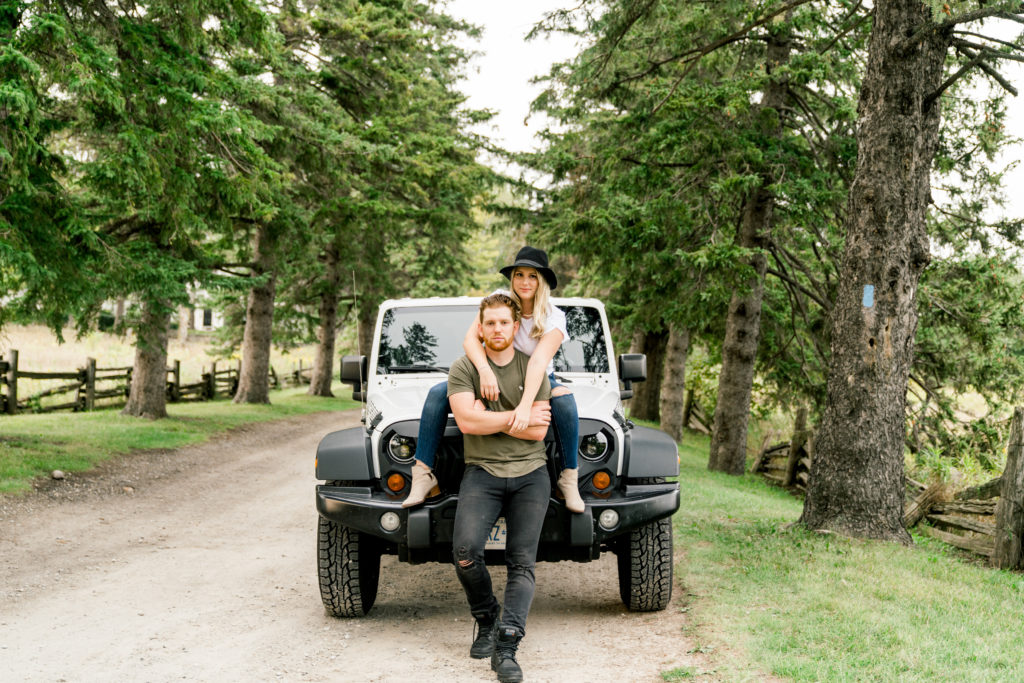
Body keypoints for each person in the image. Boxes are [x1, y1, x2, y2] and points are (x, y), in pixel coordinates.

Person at [402, 246, 584, 513]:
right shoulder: (499, 300)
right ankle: (423, 473)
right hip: (491, 371)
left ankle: (568, 477)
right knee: (438, 394)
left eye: (532, 276)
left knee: (565, 401)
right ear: (512, 279)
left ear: (541, 281)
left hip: (535, 378)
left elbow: (536, 363)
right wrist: (485, 372)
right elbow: (470, 340)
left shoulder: (553, 317)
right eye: (519, 274)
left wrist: (524, 406)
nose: (524, 281)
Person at [447, 292, 552, 682]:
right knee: (465, 552)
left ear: (514, 326)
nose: (496, 329)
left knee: (521, 562)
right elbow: (468, 424)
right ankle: (486, 617)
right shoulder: (464, 369)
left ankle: (507, 646)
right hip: (483, 471)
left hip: (530, 474)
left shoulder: (532, 369)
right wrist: (516, 416)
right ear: (481, 325)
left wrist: (489, 415)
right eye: (489, 323)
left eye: (504, 323)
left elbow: (540, 429)